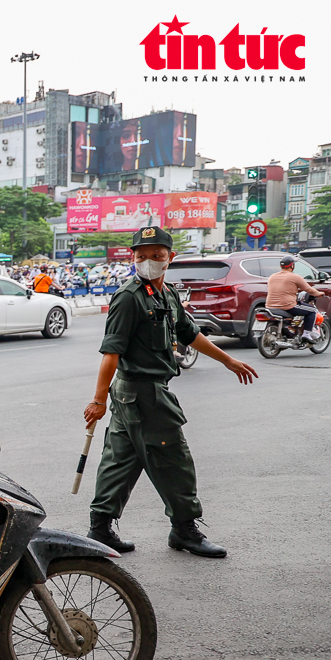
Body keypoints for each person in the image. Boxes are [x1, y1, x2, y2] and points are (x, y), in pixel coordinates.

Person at [84, 226, 258, 558]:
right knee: (174, 460)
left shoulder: (167, 294)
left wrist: (227, 360)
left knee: (121, 459)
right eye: (142, 256)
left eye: (157, 256)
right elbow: (111, 353)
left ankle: (100, 528)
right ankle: (184, 530)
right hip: (142, 392)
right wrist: (98, 399)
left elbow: (189, 333)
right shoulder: (128, 297)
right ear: (132, 258)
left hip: (133, 396)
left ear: (170, 258)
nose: (149, 261)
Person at [266, 256, 322, 342]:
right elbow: (309, 289)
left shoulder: (272, 277)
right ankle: (306, 334)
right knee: (312, 310)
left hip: (270, 306)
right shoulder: (295, 277)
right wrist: (319, 293)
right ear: (292, 266)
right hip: (287, 306)